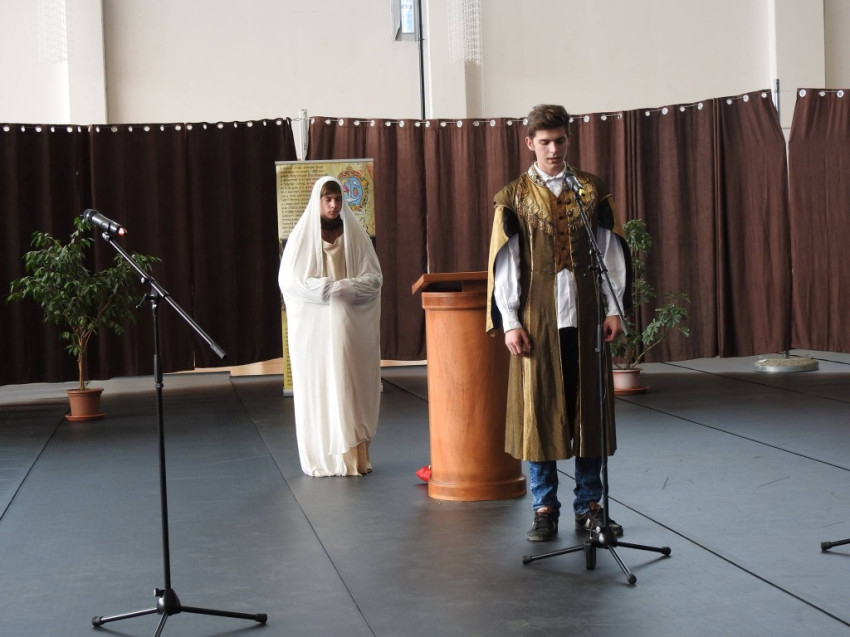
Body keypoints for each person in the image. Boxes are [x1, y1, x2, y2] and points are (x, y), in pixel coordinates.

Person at [486, 104, 629, 542]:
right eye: (545, 142)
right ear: (530, 143)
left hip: (585, 315)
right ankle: (544, 507)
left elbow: (609, 251)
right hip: (537, 318)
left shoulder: (590, 189)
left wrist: (612, 308)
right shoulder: (513, 196)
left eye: (560, 140)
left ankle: (590, 506)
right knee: (539, 409)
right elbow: (506, 263)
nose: (553, 149)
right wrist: (511, 320)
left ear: (569, 139)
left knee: (590, 412)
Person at [278, 176, 383, 477]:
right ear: (318, 201)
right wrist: (326, 289)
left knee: (349, 387)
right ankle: (326, 457)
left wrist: (347, 287)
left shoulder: (355, 235)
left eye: (338, 198)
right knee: (323, 386)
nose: (334, 204)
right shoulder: (302, 237)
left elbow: (374, 279)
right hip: (317, 332)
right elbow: (290, 282)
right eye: (328, 199)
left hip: (348, 329)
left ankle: (353, 459)